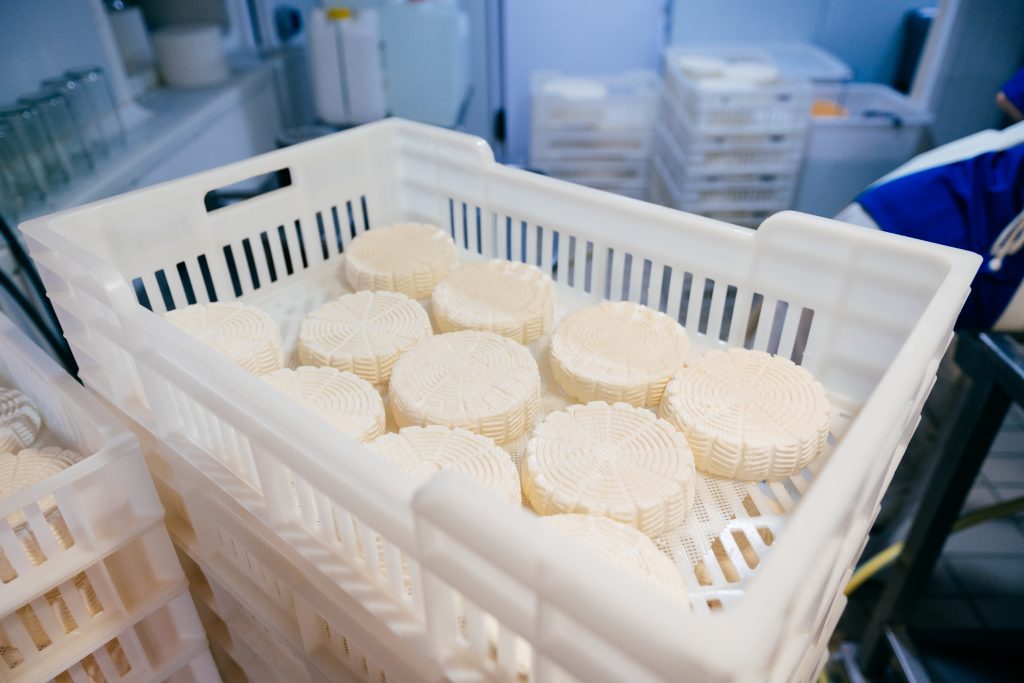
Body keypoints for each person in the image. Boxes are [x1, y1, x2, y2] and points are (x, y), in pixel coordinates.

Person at [835, 68, 1024, 539]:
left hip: (957, 264)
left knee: (906, 425)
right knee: (831, 407)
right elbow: (1009, 95)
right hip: (903, 240)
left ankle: (851, 550)